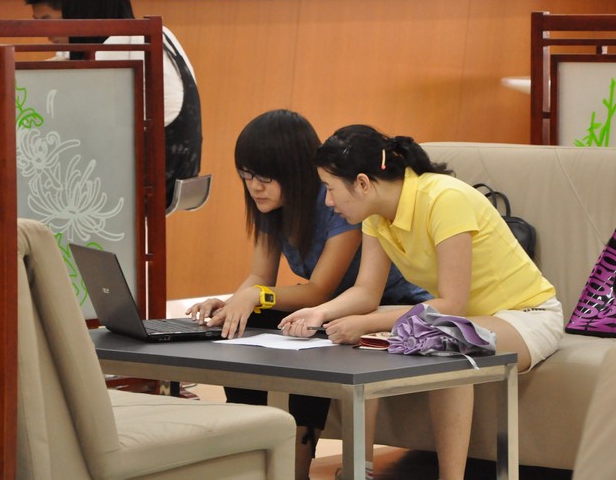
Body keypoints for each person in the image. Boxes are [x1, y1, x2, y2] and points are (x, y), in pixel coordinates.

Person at [279, 124, 564, 479]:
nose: (328, 201)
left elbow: (452, 306)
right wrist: (319, 312)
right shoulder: (376, 216)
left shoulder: (445, 199)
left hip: (526, 316)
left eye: (330, 188)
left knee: (446, 340)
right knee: (370, 338)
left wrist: (366, 323)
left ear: (363, 183)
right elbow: (366, 292)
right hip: (468, 318)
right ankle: (359, 469)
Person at [185, 110, 431, 480]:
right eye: (246, 177)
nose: (255, 188)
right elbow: (260, 276)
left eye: (265, 177)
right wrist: (232, 304)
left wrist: (256, 296)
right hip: (332, 305)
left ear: (296, 171)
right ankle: (250, 454)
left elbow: (319, 289)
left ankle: (298, 467)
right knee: (242, 325)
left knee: (310, 339)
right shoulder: (271, 207)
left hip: (386, 302)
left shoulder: (338, 203)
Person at [60, 0, 202, 208]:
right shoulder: (160, 34)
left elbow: (89, 122)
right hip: (186, 166)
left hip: (158, 173)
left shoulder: (117, 45)